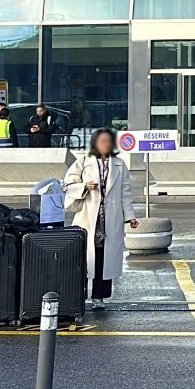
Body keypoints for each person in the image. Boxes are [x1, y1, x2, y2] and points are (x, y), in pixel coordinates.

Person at [63, 128, 139, 311]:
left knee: (104, 259)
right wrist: (85, 186)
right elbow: (67, 184)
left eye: (108, 141)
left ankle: (99, 297)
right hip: (88, 216)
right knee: (84, 258)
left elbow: (125, 193)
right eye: (102, 141)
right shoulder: (83, 162)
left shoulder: (120, 164)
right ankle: (78, 295)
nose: (105, 144)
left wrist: (130, 217)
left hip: (110, 219)